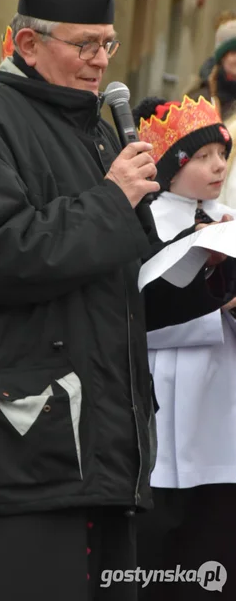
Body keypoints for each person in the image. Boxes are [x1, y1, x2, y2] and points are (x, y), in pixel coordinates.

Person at [0, 0, 236, 601]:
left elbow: (128, 280)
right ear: (26, 44)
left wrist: (211, 276)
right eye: (83, 44)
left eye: (108, 45)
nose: (99, 61)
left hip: (101, 446)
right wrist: (111, 198)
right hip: (17, 443)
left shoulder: (102, 132)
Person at [135, 95, 236, 600]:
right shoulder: (142, 224)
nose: (219, 165)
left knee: (212, 545)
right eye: (202, 157)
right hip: (156, 404)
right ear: (173, 165)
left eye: (223, 153)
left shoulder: (230, 222)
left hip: (219, 407)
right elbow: (135, 314)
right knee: (154, 546)